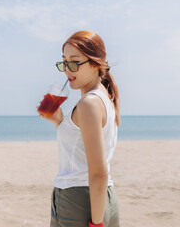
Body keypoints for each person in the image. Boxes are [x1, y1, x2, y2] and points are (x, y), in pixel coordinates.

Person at [37, 30, 120, 227]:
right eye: (64, 62)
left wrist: (97, 223)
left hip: (79, 200)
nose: (67, 69)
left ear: (95, 63)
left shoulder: (88, 104)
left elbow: (98, 172)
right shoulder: (103, 98)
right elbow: (82, 151)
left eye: (74, 62)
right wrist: (59, 121)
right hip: (104, 196)